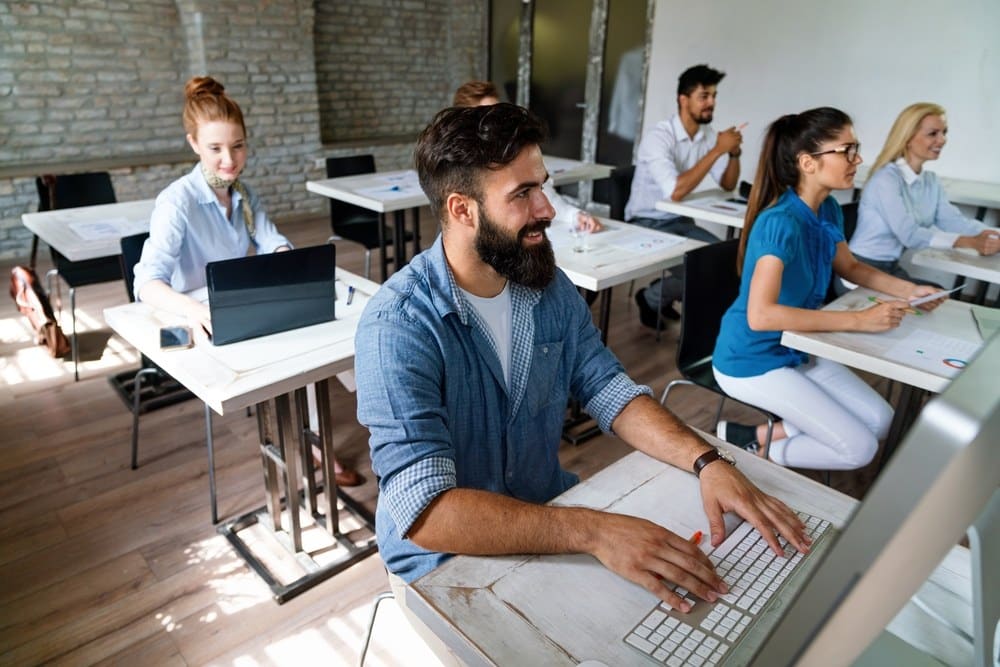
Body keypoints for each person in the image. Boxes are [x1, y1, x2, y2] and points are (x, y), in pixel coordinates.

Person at [354, 104, 811, 652]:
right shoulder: (398, 326)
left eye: (542, 187)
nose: (547, 209)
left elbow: (608, 388)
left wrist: (708, 461)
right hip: (443, 565)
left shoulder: (545, 285)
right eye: (522, 194)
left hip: (548, 521)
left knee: (674, 625)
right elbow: (424, 513)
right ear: (462, 210)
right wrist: (594, 531)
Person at [132, 75, 361, 486]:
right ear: (194, 144)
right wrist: (195, 309)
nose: (229, 160)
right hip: (198, 315)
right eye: (215, 148)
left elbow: (272, 240)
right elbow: (146, 283)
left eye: (237, 146)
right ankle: (310, 443)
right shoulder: (176, 202)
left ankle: (326, 432)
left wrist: (287, 265)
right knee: (301, 350)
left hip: (240, 304)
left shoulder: (244, 194)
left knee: (320, 335)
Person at [712, 107, 945, 470]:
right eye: (847, 150)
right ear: (808, 163)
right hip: (751, 359)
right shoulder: (780, 223)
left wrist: (909, 290)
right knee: (860, 449)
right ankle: (754, 454)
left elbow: (850, 267)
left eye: (857, 148)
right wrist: (860, 321)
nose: (859, 159)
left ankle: (753, 436)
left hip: (797, 345)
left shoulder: (829, 209)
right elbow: (760, 316)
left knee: (881, 420)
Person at [625, 64, 743, 328]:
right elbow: (675, 191)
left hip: (681, 222)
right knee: (705, 270)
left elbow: (727, 183)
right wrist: (717, 151)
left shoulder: (707, 135)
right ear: (683, 99)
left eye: (713, 96)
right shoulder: (659, 137)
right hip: (645, 222)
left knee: (727, 262)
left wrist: (733, 153)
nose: (711, 103)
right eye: (704, 96)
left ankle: (655, 295)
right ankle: (655, 298)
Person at [846, 102, 999, 288]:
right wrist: (970, 242)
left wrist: (991, 236)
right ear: (908, 137)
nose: (942, 140)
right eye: (933, 133)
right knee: (930, 298)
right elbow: (909, 234)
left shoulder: (930, 181)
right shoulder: (885, 180)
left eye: (944, 132)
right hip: (860, 271)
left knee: (937, 294)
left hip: (890, 268)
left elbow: (953, 221)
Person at [453, 80, 602, 236]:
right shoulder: (455, 164)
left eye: (498, 112)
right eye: (485, 116)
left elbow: (543, 192)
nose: (495, 121)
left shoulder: (511, 151)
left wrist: (575, 215)